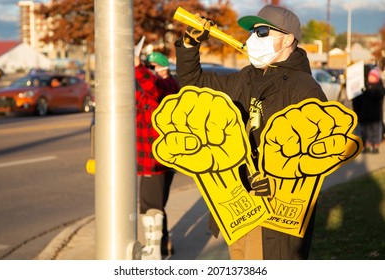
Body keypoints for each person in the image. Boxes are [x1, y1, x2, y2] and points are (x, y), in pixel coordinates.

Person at [174, 5, 328, 259]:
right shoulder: (245, 78)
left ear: (288, 39)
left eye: (263, 31)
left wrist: (278, 181)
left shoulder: (304, 88)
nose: (253, 38)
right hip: (239, 205)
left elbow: (318, 154)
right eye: (252, 32)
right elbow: (195, 84)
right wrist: (190, 46)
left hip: (273, 212)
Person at [135, 52, 179, 260]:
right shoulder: (152, 88)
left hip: (157, 159)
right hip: (150, 158)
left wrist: (138, 68)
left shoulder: (168, 86)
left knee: (150, 205)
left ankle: (152, 252)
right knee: (156, 202)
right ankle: (163, 245)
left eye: (152, 67)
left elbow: (153, 87)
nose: (150, 71)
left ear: (162, 69)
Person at [353, 66, 385, 153]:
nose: (371, 78)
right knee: (366, 132)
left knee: (375, 131)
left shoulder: (379, 87)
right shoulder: (365, 85)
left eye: (373, 76)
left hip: (375, 115)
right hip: (365, 114)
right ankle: (367, 145)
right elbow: (359, 100)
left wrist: (367, 91)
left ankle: (375, 146)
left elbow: (377, 95)